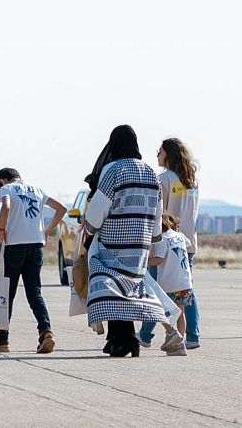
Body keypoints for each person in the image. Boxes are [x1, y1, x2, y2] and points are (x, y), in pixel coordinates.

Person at [84, 125, 168, 357]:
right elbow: (158, 212)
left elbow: (97, 211)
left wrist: (89, 226)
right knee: (128, 289)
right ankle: (121, 339)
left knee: (110, 288)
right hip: (139, 244)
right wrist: (153, 238)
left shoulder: (112, 170)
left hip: (113, 242)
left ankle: (122, 341)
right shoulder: (151, 172)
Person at [0, 168, 66, 354]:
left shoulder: (8, 189)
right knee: (34, 293)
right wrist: (47, 230)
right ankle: (46, 331)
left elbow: (6, 207)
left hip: (15, 247)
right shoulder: (37, 189)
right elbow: (62, 209)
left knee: (7, 293)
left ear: (4, 180)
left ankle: (2, 339)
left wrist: (1, 228)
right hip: (36, 246)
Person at [137, 138, 202, 349]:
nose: (157, 155)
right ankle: (192, 335)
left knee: (157, 290)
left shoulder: (163, 179)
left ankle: (146, 334)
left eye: (160, 151)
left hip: (165, 242)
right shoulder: (191, 181)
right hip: (186, 242)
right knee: (186, 289)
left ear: (169, 154)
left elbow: (159, 214)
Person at [148, 213, 194, 356]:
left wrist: (145, 260)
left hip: (169, 283)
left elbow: (158, 261)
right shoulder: (179, 236)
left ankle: (173, 334)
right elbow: (189, 244)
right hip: (185, 281)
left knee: (160, 312)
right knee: (180, 314)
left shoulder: (163, 240)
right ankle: (180, 344)